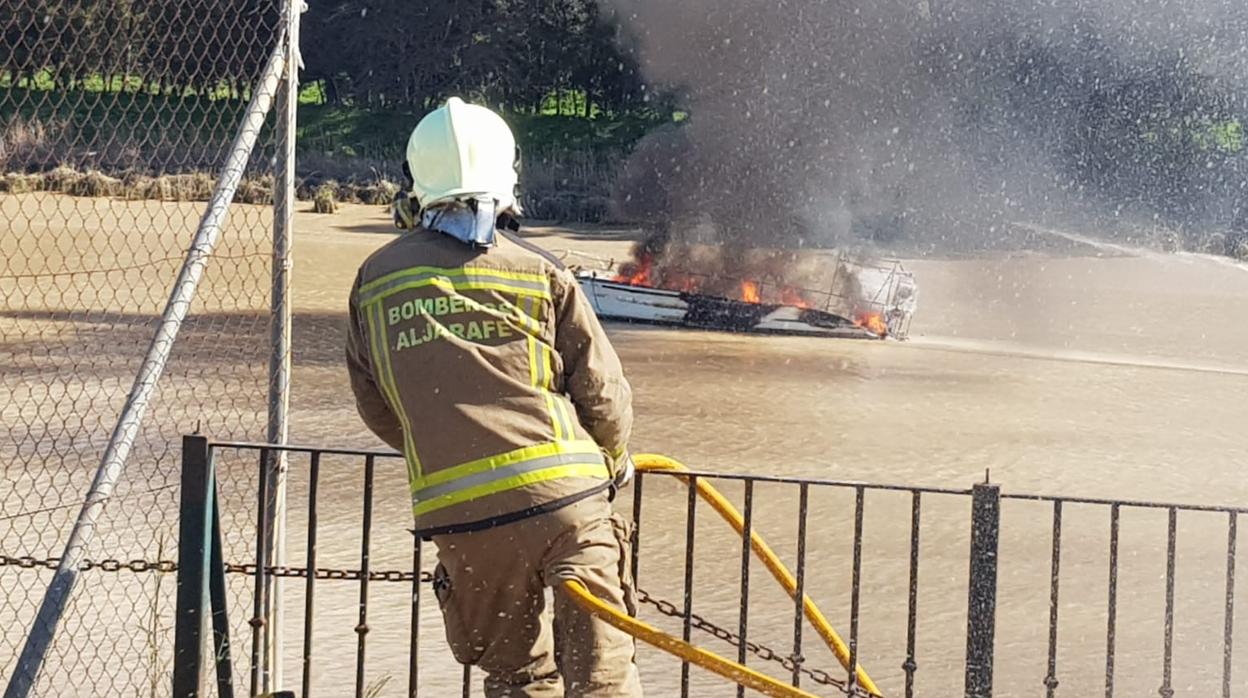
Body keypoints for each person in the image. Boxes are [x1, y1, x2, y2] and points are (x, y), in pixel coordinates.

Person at [345, 97, 642, 697]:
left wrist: (443, 442)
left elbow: (378, 405)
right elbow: (604, 394)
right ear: (507, 179)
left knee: (518, 679)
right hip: (569, 504)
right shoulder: (541, 271)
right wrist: (614, 463)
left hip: (464, 518)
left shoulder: (375, 281)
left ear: (416, 182)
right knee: (603, 679)